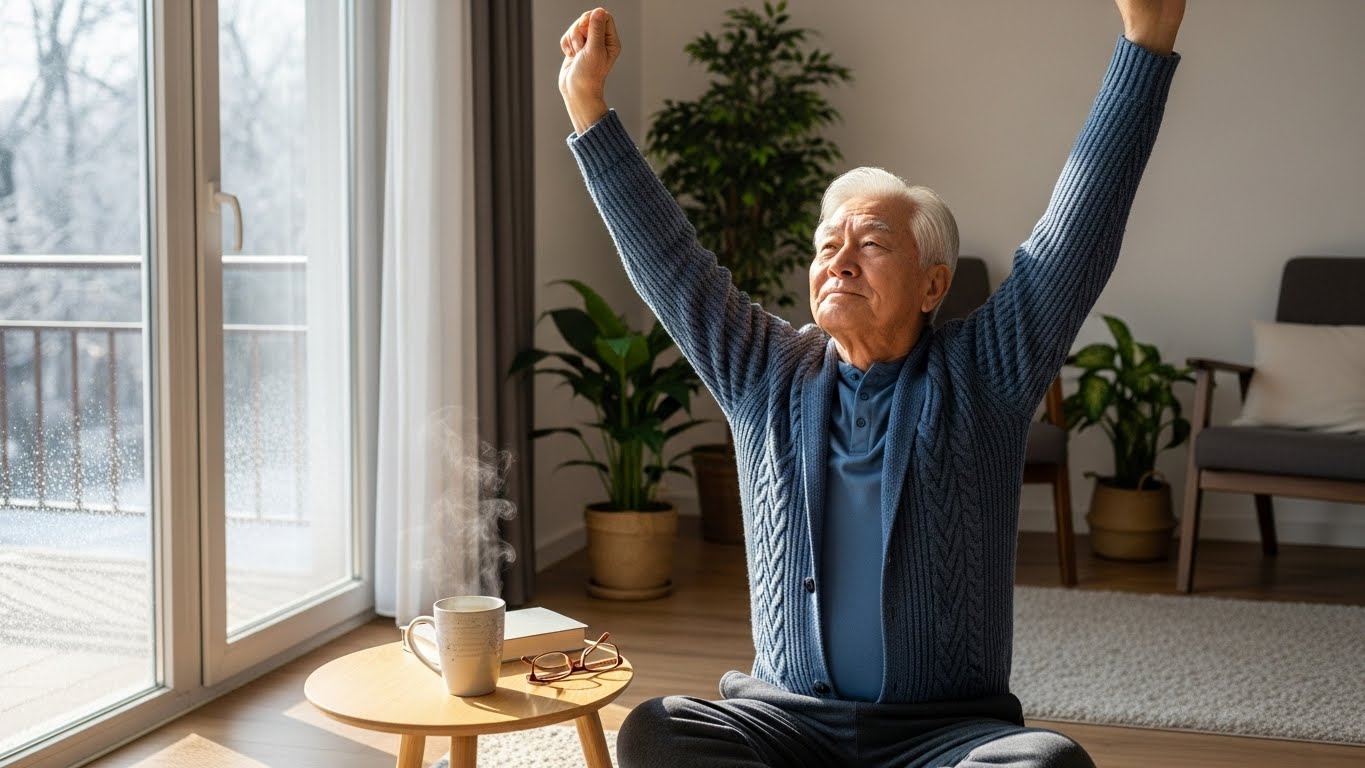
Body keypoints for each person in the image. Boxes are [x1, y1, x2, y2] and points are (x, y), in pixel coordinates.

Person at [558, 2, 1184, 766]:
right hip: (786, 722)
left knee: (1043, 763)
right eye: (827, 246)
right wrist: (587, 106)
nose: (839, 260)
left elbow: (1077, 226)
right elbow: (669, 260)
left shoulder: (985, 370)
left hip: (943, 733)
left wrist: (1143, 44)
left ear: (931, 286)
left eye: (872, 243)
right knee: (658, 727)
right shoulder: (765, 370)